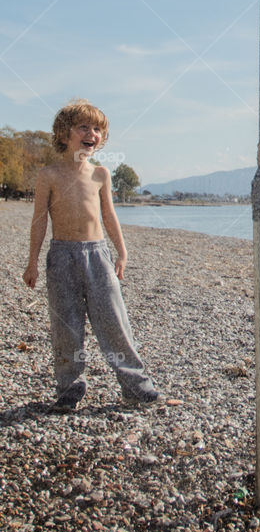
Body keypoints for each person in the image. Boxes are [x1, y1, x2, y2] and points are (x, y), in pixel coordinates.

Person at [23, 99, 158, 410]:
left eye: (98, 129)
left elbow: (109, 216)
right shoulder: (49, 174)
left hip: (98, 255)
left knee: (113, 321)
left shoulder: (100, 175)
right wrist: (32, 262)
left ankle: (135, 384)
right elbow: (40, 220)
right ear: (64, 134)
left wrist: (121, 254)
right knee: (66, 325)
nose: (92, 134)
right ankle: (68, 388)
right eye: (84, 127)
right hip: (61, 256)